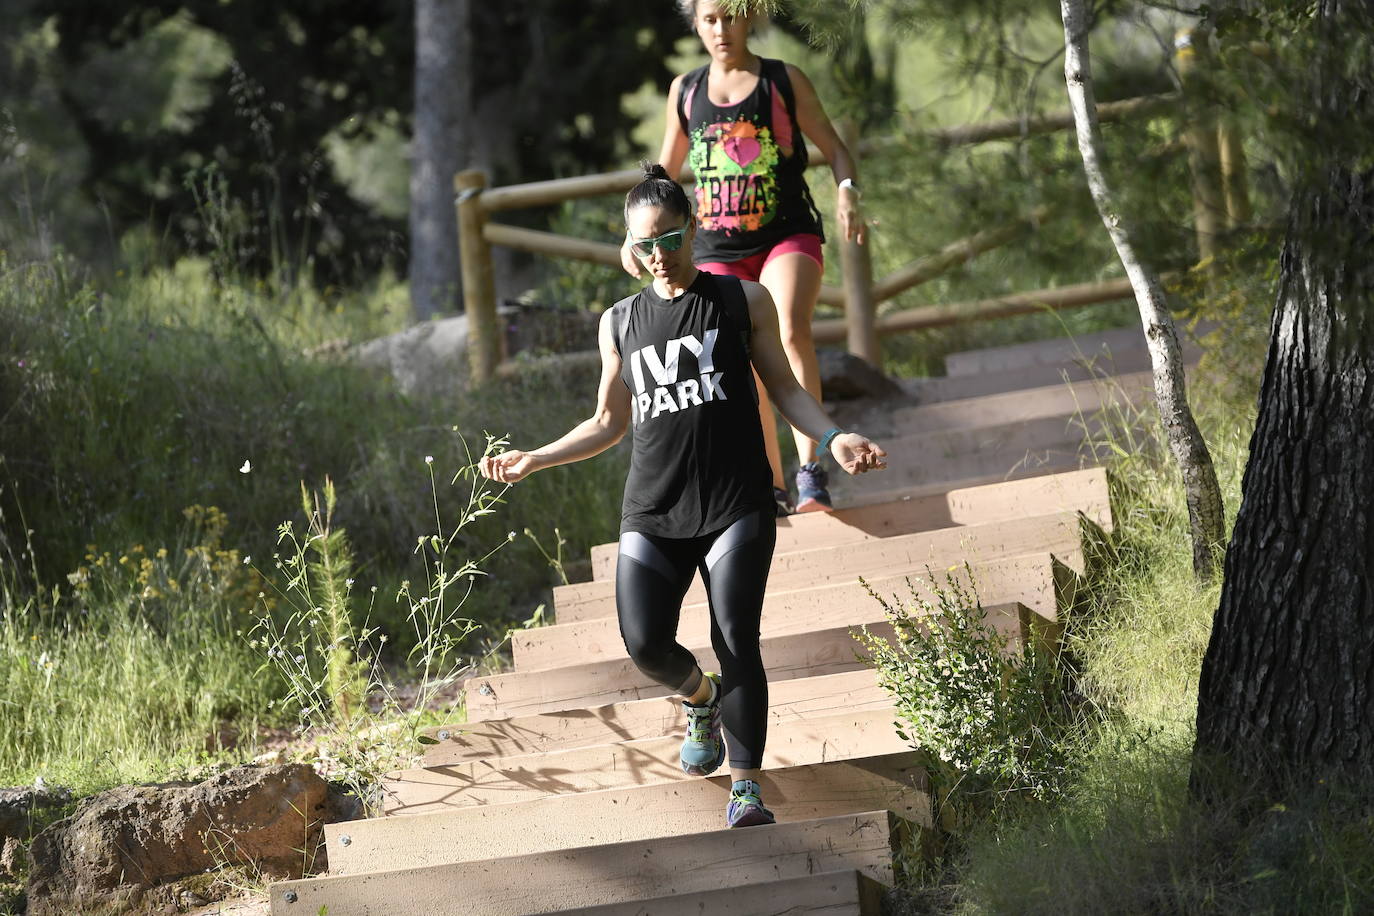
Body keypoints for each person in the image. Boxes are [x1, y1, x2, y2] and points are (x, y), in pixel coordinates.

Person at [482, 164, 886, 828]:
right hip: (655, 509)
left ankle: (746, 785)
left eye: (671, 239)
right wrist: (537, 458)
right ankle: (700, 699)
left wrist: (833, 437)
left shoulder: (741, 300)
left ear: (693, 231)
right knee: (644, 642)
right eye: (646, 245)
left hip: (736, 503)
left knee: (737, 638)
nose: (660, 256)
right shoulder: (619, 322)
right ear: (629, 249)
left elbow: (784, 389)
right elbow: (608, 423)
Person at [621, 0, 867, 517]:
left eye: (729, 17)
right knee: (738, 355)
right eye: (709, 19)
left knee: (790, 330)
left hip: (786, 233)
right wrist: (636, 237)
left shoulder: (782, 80)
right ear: (696, 23)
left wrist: (846, 189)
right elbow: (663, 176)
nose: (720, 29)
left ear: (749, 16)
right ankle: (771, 485)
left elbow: (836, 148)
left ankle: (812, 475)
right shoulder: (685, 91)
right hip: (716, 245)